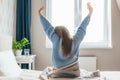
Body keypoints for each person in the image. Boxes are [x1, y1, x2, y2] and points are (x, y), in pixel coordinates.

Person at [38, 2, 99, 79]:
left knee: (47, 70)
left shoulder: (55, 39)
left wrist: (40, 15)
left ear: (56, 34)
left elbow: (48, 28)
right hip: (74, 73)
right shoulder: (75, 40)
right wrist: (90, 13)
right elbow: (82, 27)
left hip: (58, 72)